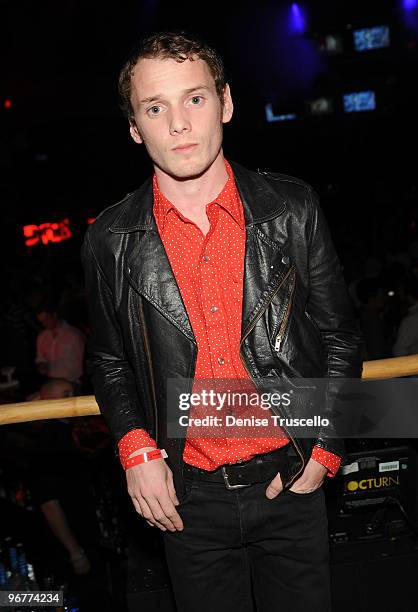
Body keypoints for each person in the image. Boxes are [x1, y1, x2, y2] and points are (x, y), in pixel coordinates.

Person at [81, 31, 363, 611]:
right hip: (187, 502)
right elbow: (109, 362)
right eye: (155, 107)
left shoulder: (292, 208)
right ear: (135, 126)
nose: (179, 123)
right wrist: (136, 452)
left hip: (291, 479)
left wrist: (326, 451)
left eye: (196, 99)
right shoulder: (109, 240)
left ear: (227, 103)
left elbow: (340, 338)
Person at [35, 299, 86, 386]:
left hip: (72, 383)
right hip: (51, 382)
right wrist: (41, 365)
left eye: (46, 320)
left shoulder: (74, 335)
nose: (44, 324)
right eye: (41, 322)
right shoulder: (42, 337)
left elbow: (83, 363)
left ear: (54, 315)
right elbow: (41, 358)